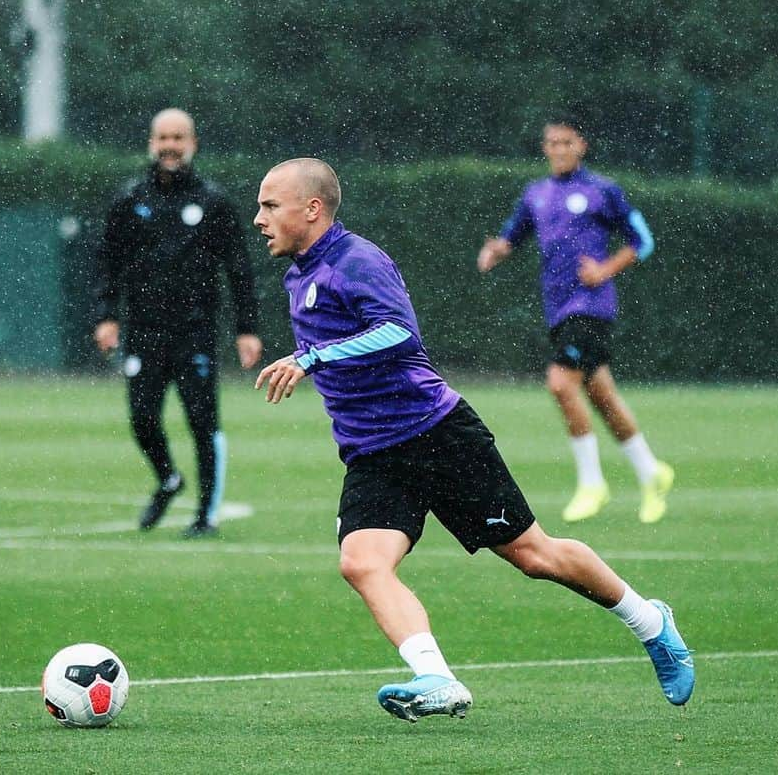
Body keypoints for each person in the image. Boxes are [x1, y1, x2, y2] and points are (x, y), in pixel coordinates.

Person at [253, 158, 694, 722]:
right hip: (373, 453)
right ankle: (436, 679)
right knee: (362, 563)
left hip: (438, 436)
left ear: (311, 209)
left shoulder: (356, 260)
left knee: (536, 557)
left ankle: (651, 622)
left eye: (270, 205)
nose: (260, 218)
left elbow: (397, 334)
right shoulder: (299, 273)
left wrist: (312, 358)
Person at [477, 117, 673, 525]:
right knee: (600, 393)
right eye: (552, 142)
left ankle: (591, 483)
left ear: (581, 145)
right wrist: (496, 250)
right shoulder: (536, 194)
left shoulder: (603, 191)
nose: (559, 149)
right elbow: (512, 237)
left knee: (560, 382)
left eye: (567, 142)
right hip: (558, 307)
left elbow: (644, 241)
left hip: (591, 306)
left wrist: (605, 269)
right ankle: (650, 471)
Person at [93, 108, 262, 537]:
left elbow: (239, 269)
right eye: (163, 138)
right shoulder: (130, 201)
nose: (170, 146)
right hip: (144, 332)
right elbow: (109, 265)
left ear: (193, 144)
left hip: (195, 332)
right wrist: (107, 316)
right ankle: (168, 478)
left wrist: (247, 328)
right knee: (142, 419)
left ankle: (206, 515)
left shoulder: (213, 202)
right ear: (152, 144)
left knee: (203, 424)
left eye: (179, 138)